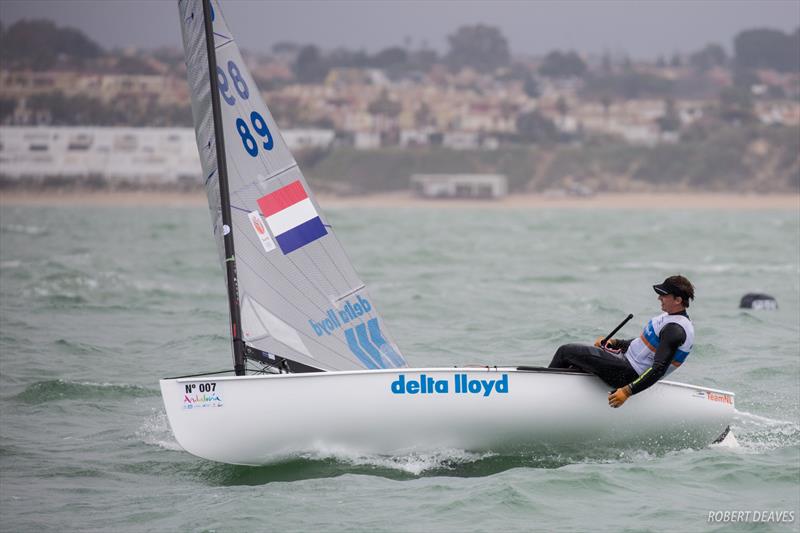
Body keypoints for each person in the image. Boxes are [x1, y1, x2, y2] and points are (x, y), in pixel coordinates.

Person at [548, 275, 695, 409]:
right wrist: (615, 342)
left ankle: (544, 393)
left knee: (566, 352)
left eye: (664, 295)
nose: (659, 298)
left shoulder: (675, 330)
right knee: (577, 362)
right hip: (625, 363)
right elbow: (642, 344)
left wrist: (627, 391)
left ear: (678, 300)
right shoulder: (669, 318)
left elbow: (658, 368)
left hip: (628, 374)